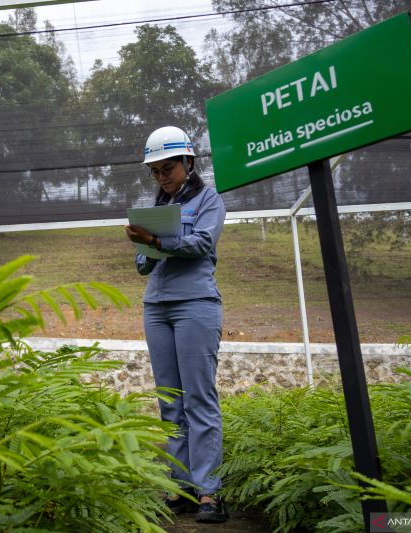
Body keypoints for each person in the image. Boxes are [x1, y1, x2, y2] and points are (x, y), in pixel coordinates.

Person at [124, 126, 228, 523]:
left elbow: (201, 244)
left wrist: (157, 241)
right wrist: (144, 242)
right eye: (155, 171)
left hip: (195, 305)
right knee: (170, 401)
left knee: (199, 398)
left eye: (167, 168)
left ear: (188, 162)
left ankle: (209, 492)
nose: (161, 177)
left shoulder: (208, 200)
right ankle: (180, 487)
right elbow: (142, 266)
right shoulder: (156, 207)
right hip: (156, 306)